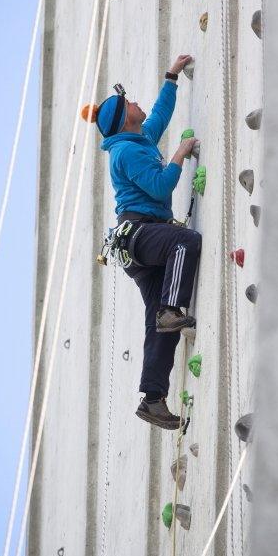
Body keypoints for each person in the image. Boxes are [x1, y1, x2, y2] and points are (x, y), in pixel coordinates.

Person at [81, 54, 202, 430]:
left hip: (136, 243)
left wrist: (171, 77)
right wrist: (181, 155)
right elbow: (162, 185)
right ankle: (170, 309)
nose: (136, 103)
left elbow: (159, 118)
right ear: (123, 117)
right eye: (130, 103)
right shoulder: (127, 151)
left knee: (159, 325)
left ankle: (153, 399)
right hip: (139, 233)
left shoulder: (138, 138)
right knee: (185, 242)